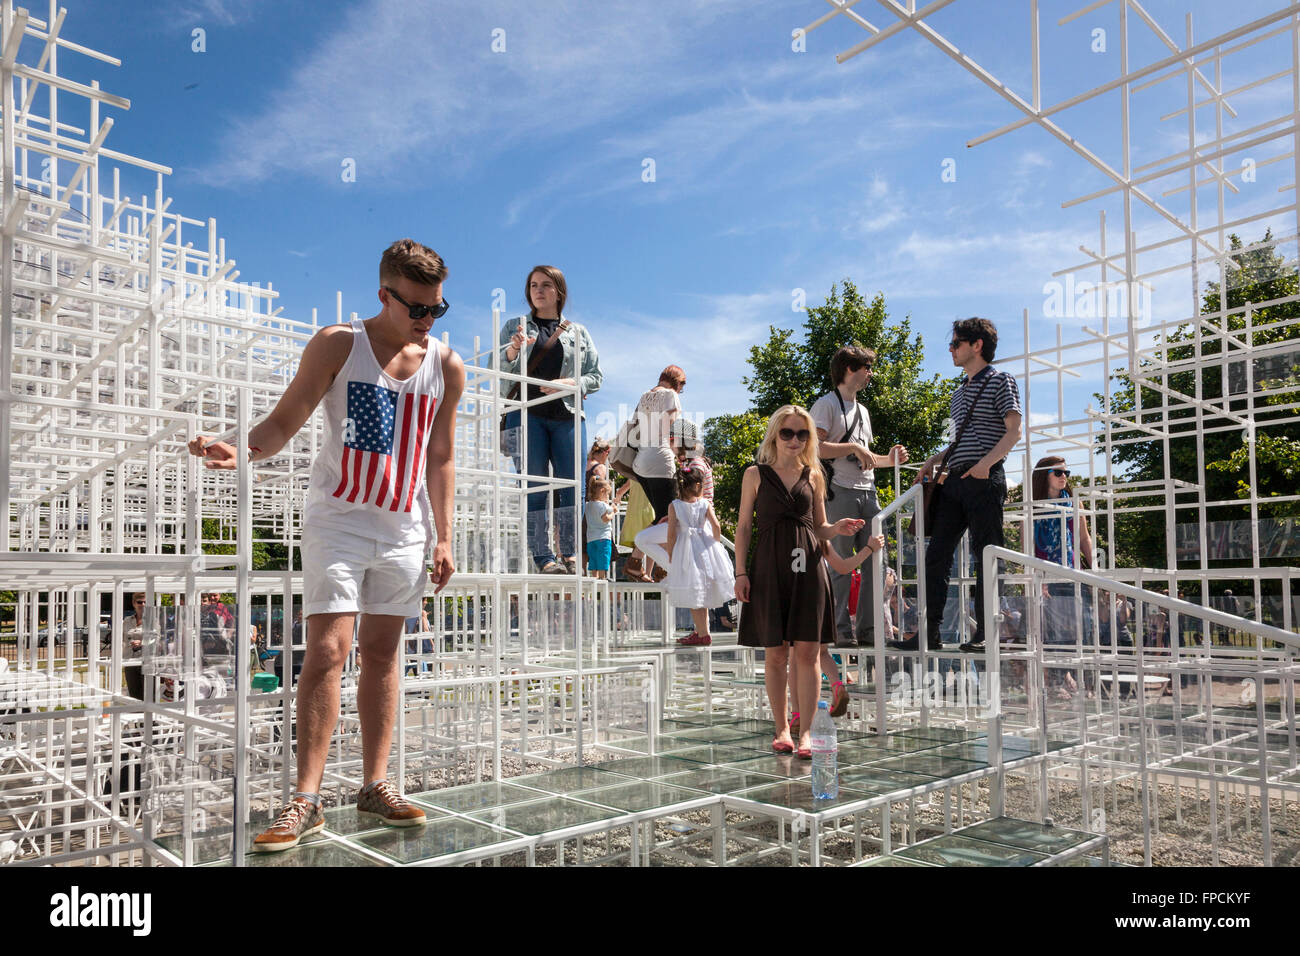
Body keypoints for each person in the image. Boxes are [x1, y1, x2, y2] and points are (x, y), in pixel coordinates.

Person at [189, 239, 463, 851]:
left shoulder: (446, 365)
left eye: (436, 310)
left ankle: (375, 783)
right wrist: (242, 451)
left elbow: (441, 457)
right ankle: (306, 798)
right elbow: (287, 419)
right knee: (328, 651)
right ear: (383, 294)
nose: (426, 320)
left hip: (404, 526)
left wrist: (445, 535)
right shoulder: (340, 343)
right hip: (338, 518)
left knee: (385, 655)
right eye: (416, 308)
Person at [734, 405, 865, 757]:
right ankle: (781, 729)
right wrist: (741, 572)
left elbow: (818, 526)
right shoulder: (755, 474)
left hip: (808, 567)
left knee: (807, 653)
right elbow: (743, 526)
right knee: (776, 653)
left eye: (802, 433)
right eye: (787, 432)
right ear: (775, 434)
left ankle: (806, 733)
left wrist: (836, 529)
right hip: (767, 568)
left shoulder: (814, 475)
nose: (794, 440)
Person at [898, 318, 1021, 653]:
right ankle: (930, 632)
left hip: (985, 479)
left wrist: (986, 465)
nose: (950, 350)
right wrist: (934, 459)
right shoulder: (958, 394)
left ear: (976, 345)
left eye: (955, 344)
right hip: (954, 479)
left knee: (988, 555)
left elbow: (1014, 431)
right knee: (936, 556)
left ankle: (986, 633)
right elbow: (958, 440)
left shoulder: (1001, 380)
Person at [499, 266, 602, 575]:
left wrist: (573, 384)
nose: (538, 290)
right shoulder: (514, 326)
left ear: (559, 291)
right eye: (532, 285)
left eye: (545, 285)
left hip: (567, 415)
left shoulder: (578, 332)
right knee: (535, 486)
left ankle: (570, 554)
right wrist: (515, 348)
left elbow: (596, 375)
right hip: (526, 412)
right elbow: (499, 369)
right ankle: (543, 557)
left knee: (572, 486)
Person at [811, 345, 908, 647]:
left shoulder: (863, 410)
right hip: (839, 490)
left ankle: (869, 632)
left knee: (875, 563)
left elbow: (866, 458)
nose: (871, 374)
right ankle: (839, 631)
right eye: (867, 367)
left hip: (869, 492)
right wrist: (853, 448)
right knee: (842, 563)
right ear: (850, 369)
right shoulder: (826, 404)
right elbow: (814, 448)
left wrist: (891, 459)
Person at [787, 535, 886, 727]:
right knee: (821, 652)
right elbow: (843, 567)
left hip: (795, 596)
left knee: (795, 657)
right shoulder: (819, 536)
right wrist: (868, 548)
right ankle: (837, 685)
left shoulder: (786, 534)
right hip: (820, 596)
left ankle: (797, 713)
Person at [623, 366, 685, 582]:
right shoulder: (671, 396)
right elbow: (670, 430)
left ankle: (649, 565)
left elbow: (636, 429)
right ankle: (657, 564)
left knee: (662, 515)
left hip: (640, 462)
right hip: (660, 459)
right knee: (672, 516)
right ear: (678, 383)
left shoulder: (644, 396)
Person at [666, 463, 734, 647]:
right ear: (699, 485)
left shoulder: (674, 506)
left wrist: (670, 552)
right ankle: (702, 632)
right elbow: (716, 526)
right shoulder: (705, 504)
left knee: (692, 591)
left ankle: (703, 633)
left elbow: (671, 533)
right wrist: (715, 544)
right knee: (702, 591)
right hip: (705, 548)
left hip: (686, 550)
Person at [1030, 456, 1094, 647]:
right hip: (1045, 578)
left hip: (1073, 574)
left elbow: (1084, 539)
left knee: (1082, 632)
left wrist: (1096, 572)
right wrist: (1036, 577)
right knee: (1054, 638)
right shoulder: (1032, 506)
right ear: (1044, 476)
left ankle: (1076, 676)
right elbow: (1027, 548)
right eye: (1057, 472)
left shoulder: (1074, 503)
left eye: (1066, 472)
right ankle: (1063, 676)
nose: (1063, 476)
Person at [584, 476, 615, 580]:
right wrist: (613, 513)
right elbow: (605, 518)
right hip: (603, 537)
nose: (607, 497)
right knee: (603, 556)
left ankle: (594, 576)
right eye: (607, 494)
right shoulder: (602, 505)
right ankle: (602, 577)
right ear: (602, 491)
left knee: (593, 557)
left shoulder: (587, 505)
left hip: (591, 538)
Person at [121, 592, 146, 700]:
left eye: (145, 602)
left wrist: (142, 643)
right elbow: (121, 638)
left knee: (148, 696)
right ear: (134, 603)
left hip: (146, 662)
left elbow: (157, 638)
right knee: (134, 695)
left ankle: (148, 717)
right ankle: (136, 716)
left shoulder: (153, 620)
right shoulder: (127, 621)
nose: (143, 605)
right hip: (129, 661)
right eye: (140, 602)